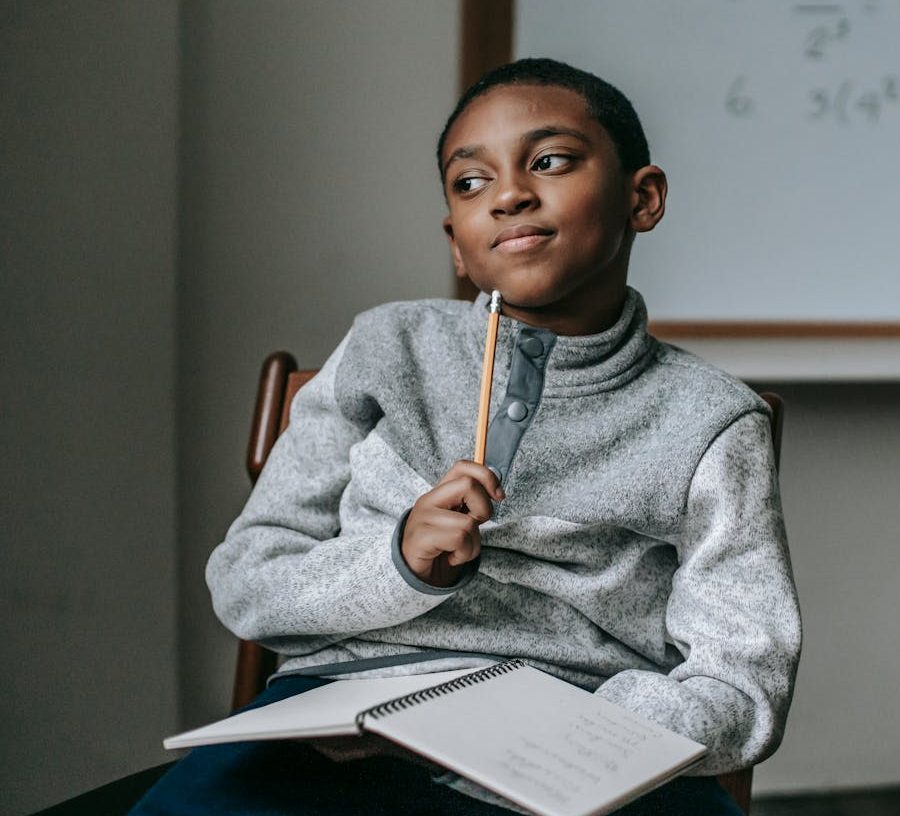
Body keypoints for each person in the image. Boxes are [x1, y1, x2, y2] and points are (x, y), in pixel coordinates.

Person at [132, 58, 801, 815]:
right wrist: (400, 563)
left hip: (586, 735)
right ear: (457, 241)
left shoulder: (709, 418)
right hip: (344, 720)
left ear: (641, 199)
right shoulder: (387, 347)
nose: (510, 194)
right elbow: (250, 583)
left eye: (549, 162)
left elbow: (741, 679)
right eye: (471, 183)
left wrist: (605, 736)